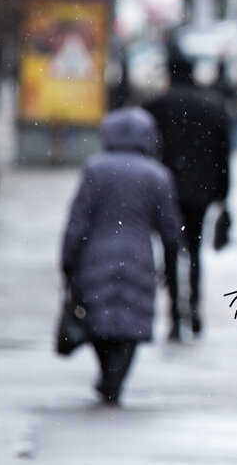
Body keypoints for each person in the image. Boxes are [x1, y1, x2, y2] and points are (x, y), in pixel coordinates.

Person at [62, 107, 183, 405]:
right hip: (138, 255)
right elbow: (170, 227)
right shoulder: (158, 175)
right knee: (130, 324)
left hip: (96, 254)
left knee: (99, 320)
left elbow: (77, 220)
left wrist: (68, 260)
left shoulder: (95, 169)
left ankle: (107, 373)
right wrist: (171, 262)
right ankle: (116, 378)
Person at [144, 44, 231, 340]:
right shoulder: (212, 106)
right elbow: (223, 154)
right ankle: (193, 309)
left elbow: (147, 150)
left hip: (166, 190)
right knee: (194, 249)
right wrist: (223, 194)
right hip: (201, 192)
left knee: (170, 248)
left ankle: (173, 315)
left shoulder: (156, 106)